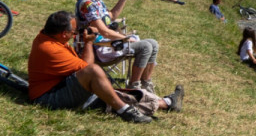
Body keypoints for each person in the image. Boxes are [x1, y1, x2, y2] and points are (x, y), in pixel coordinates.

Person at [27, 10, 181, 122]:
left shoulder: (46, 37)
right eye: (74, 32)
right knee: (98, 79)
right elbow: (86, 68)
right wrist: (88, 42)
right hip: (49, 97)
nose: (75, 35)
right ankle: (126, 111)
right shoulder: (51, 49)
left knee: (110, 93)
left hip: (58, 86)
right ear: (63, 34)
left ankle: (166, 103)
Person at [76, 0, 163, 93]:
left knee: (153, 43)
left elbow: (110, 17)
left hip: (107, 43)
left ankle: (145, 82)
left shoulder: (96, 0)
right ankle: (134, 87)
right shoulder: (87, 3)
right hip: (97, 48)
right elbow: (104, 31)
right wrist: (125, 38)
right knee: (145, 46)